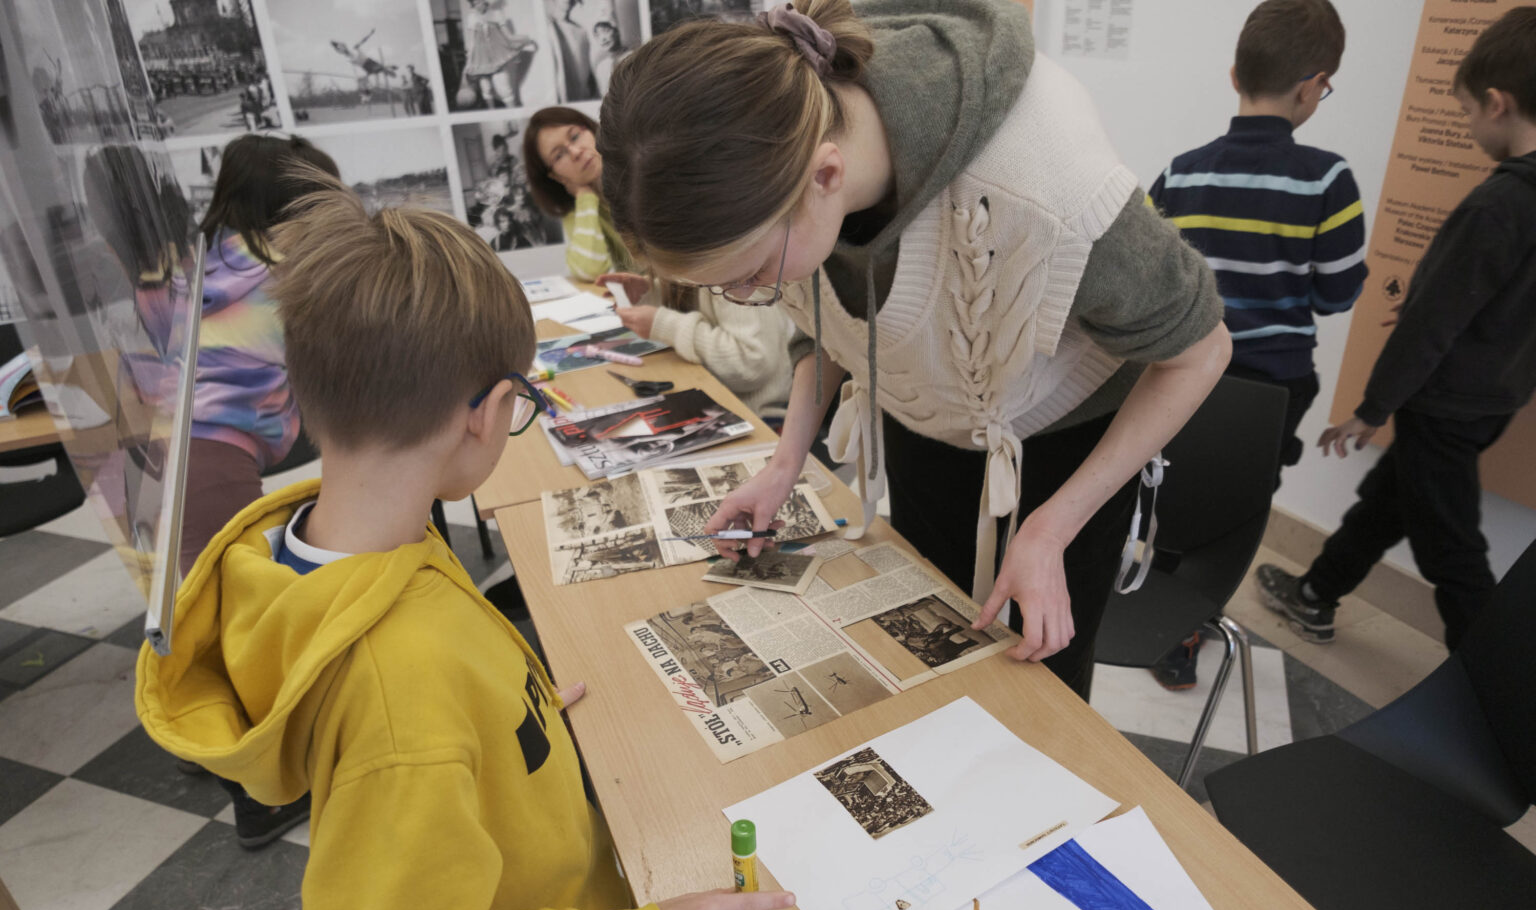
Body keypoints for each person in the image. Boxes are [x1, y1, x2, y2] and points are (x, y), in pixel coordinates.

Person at [134, 178, 794, 910]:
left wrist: (509, 715)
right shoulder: (398, 699)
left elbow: (437, 707)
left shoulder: (345, 551)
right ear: (483, 416)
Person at [598, 0, 1231, 699]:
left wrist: (1054, 528)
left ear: (825, 177)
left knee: (1038, 685)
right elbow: (828, 316)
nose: (753, 294)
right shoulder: (798, 157)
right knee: (927, 653)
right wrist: (785, 463)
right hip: (919, 417)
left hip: (1066, 455)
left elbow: (1200, 350)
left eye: (751, 275)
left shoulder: (1049, 185)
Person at [1257, 7, 1536, 651]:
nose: (1468, 126)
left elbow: (1430, 325)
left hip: (1444, 406)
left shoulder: (1496, 205)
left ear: (1497, 103)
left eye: (1467, 112)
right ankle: (1315, 593)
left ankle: (1492, 683)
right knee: (1390, 501)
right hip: (1494, 398)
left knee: (1452, 553)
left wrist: (1373, 408)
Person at [1143, 0, 1366, 690]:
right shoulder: (1328, 179)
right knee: (1237, 507)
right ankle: (1195, 619)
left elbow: (1154, 277)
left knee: (1172, 488)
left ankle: (1158, 620)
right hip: (1274, 382)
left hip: (1183, 371)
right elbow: (1336, 295)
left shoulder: (1182, 172)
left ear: (1236, 74)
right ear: (1312, 86)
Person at [179, 133, 342, 848]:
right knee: (239, 616)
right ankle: (256, 797)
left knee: (198, 606)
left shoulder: (206, 261)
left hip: (166, 453)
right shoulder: (283, 272)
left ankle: (196, 734)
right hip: (213, 455)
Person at [601, 274, 797, 421]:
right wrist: (652, 292)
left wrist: (667, 325)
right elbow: (699, 298)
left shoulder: (733, 271)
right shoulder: (704, 266)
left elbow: (751, 364)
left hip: (761, 417)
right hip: (722, 402)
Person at [525, 105, 640, 280]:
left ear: (592, 130)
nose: (576, 152)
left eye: (575, 136)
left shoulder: (640, 169)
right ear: (556, 176)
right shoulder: (579, 211)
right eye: (559, 155)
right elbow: (589, 270)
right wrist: (585, 197)